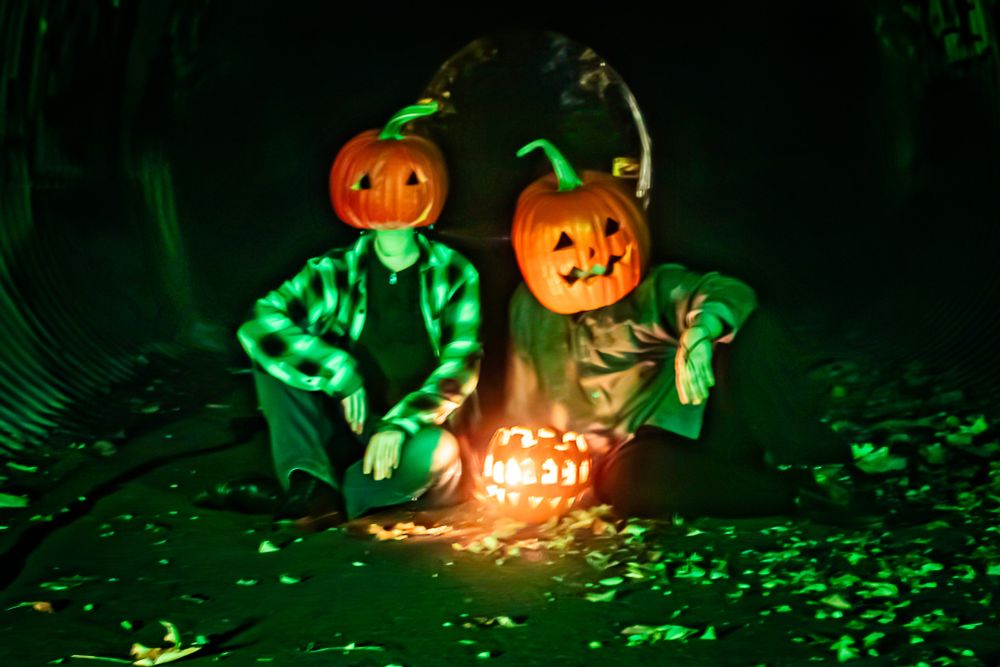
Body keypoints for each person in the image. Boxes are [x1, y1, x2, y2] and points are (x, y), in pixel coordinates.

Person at [504, 139, 857, 518]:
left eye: (608, 229)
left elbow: (725, 291)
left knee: (759, 327)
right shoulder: (528, 309)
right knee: (636, 482)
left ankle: (815, 463)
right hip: (625, 460)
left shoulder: (653, 289)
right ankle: (790, 494)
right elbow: (524, 400)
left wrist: (701, 331)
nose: (592, 254)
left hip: (692, 429)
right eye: (564, 242)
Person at [236, 103, 481, 521]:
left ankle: (316, 498)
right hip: (349, 427)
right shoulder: (334, 271)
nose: (390, 202)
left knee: (439, 453)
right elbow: (258, 325)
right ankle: (310, 481)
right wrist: (341, 372)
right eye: (369, 183)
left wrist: (399, 424)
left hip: (415, 430)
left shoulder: (454, 272)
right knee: (274, 355)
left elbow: (460, 367)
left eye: (409, 182)